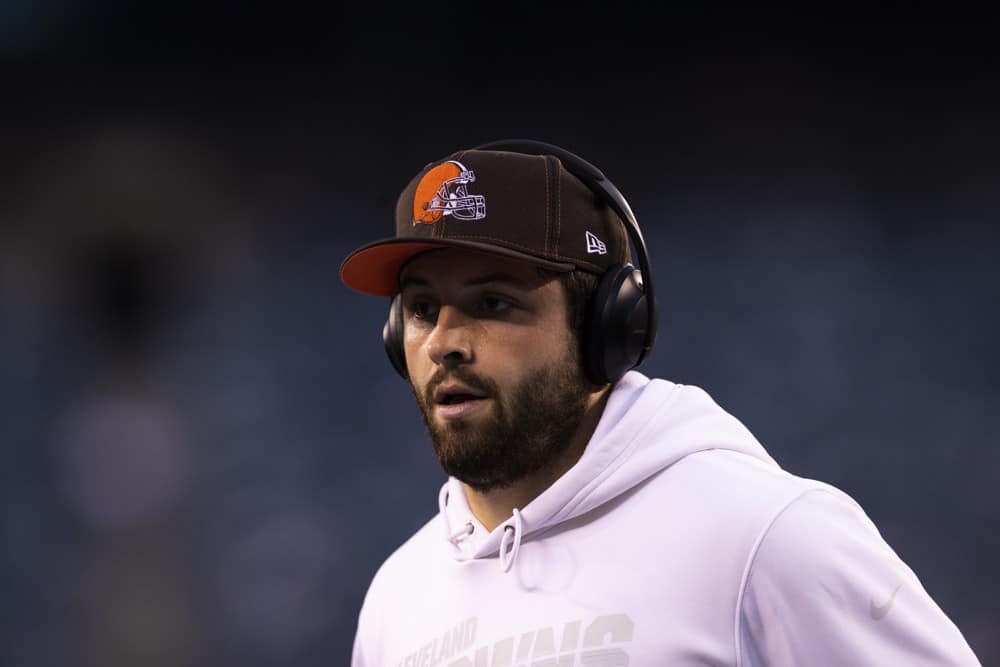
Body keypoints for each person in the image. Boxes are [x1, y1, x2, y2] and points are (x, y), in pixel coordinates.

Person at [339, 140, 981, 666]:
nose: (446, 343)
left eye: (494, 304)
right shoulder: (399, 596)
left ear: (608, 329)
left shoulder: (765, 535)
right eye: (422, 309)